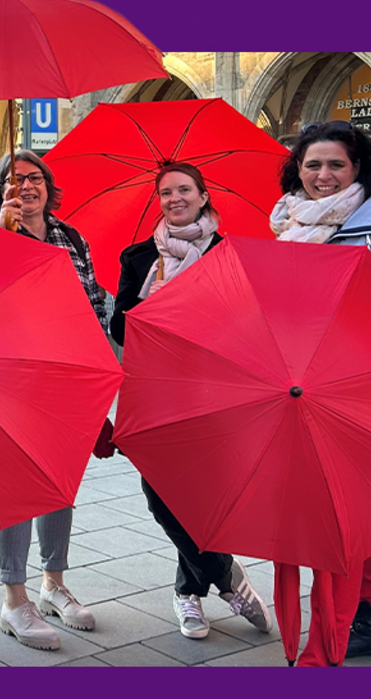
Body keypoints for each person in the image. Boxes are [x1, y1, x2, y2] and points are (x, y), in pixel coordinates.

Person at [110, 161, 272, 641]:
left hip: (215, 391)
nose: (174, 199)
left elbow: (248, 324)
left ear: (203, 197)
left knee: (203, 495)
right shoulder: (139, 258)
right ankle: (225, 574)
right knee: (160, 498)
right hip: (155, 390)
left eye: (184, 190)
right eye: (165, 193)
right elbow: (118, 327)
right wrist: (148, 305)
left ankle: (187, 593)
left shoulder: (229, 254)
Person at [0, 150, 109, 649]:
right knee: (16, 488)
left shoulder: (71, 237)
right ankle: (14, 600)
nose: (27, 187)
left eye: (35, 179)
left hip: (68, 379)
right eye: (15, 181)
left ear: (48, 187)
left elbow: (95, 301)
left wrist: (100, 373)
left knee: (59, 486)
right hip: (12, 380)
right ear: (2, 191)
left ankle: (53, 584)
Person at [271, 121, 371, 663]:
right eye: (313, 164)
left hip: (364, 386)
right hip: (304, 385)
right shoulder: (286, 225)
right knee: (337, 515)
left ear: (357, 169)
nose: (323, 175)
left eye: (336, 164)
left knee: (355, 514)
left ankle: (353, 620)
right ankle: (360, 617)